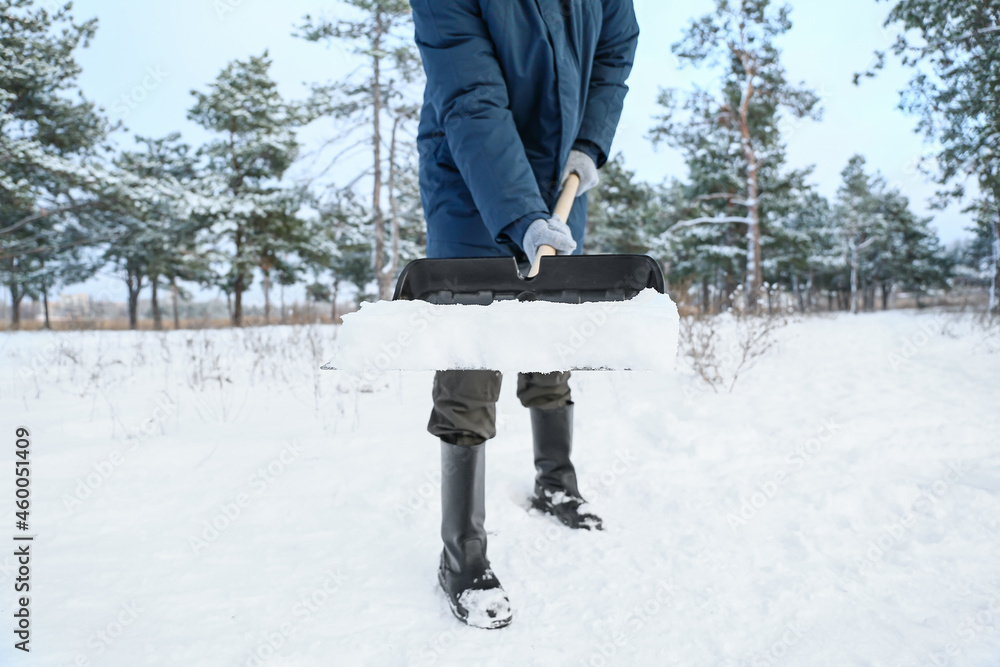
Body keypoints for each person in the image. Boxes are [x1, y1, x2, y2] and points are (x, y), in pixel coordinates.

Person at [410, 0, 639, 629]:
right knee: (473, 350)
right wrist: (517, 213)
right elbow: (471, 99)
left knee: (548, 333)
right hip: (471, 180)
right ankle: (462, 552)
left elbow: (615, 51)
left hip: (558, 180)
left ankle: (554, 481)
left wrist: (589, 144)